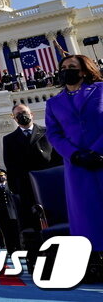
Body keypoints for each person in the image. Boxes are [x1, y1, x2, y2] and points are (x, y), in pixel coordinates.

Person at [45, 54, 103, 278]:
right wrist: (75, 155)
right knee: (85, 213)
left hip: (100, 158)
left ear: (84, 71)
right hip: (77, 166)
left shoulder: (100, 90)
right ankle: (93, 262)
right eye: (63, 67)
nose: (66, 70)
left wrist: (97, 151)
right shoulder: (54, 103)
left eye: (71, 66)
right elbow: (54, 134)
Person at [2, 103, 62, 229]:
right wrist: (15, 189)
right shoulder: (9, 139)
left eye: (24, 112)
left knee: (57, 220)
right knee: (32, 224)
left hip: (49, 184)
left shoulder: (47, 132)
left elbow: (58, 158)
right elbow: (10, 166)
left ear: (31, 114)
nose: (22, 116)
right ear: (14, 118)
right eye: (18, 114)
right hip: (27, 188)